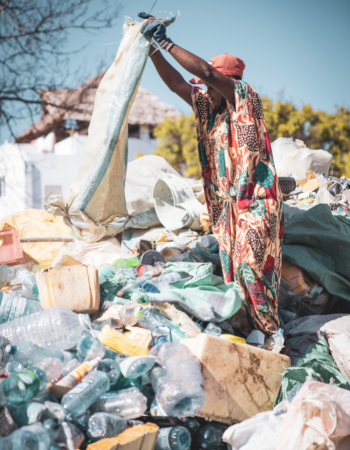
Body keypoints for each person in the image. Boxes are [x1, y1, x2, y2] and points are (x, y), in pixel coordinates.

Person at [139, 13, 284, 334]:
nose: (204, 86)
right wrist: (149, 50)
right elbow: (178, 83)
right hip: (227, 211)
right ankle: (254, 338)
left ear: (225, 81)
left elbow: (203, 69)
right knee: (234, 277)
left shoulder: (243, 97)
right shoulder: (207, 106)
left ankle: (274, 336)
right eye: (204, 85)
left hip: (257, 203)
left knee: (252, 270)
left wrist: (165, 42)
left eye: (209, 82)